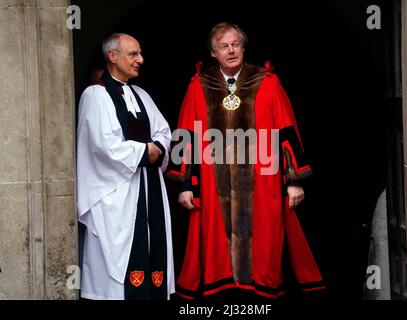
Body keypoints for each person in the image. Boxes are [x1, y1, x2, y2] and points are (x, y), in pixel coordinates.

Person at [167, 22, 324, 299]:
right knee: (215, 245)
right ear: (213, 53)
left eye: (235, 44)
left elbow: (286, 128)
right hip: (214, 182)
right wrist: (185, 186)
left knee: (265, 241)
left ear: (243, 47)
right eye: (224, 46)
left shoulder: (266, 82)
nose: (231, 51)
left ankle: (261, 293)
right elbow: (185, 136)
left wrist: (294, 181)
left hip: (262, 179)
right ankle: (224, 293)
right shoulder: (198, 86)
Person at [77, 33, 174, 300]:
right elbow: (101, 145)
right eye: (133, 54)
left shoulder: (141, 94)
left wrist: (157, 147)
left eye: (140, 53)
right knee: (118, 264)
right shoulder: (94, 96)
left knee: (153, 252)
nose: (140, 60)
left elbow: (164, 132)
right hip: (116, 193)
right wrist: (146, 150)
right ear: (113, 56)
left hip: (148, 186)